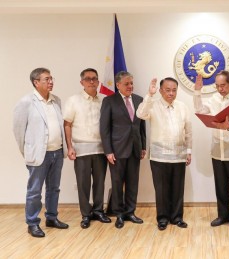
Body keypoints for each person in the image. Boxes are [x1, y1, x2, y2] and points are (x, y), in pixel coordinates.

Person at [13, 67, 69, 238]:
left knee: (54, 189)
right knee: (35, 191)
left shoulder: (56, 101)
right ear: (36, 82)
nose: (51, 81)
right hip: (39, 155)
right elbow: (18, 131)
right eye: (46, 79)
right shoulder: (26, 102)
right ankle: (32, 223)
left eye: (51, 78)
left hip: (57, 152)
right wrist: (29, 152)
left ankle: (51, 218)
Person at [193, 71, 229, 231]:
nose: (220, 89)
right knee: (220, 185)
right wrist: (197, 91)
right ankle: (223, 215)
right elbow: (200, 109)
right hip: (217, 149)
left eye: (223, 85)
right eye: (217, 86)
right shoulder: (214, 98)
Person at [137, 77, 192, 231]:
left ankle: (177, 217)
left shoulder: (182, 107)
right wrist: (149, 94)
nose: (171, 93)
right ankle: (162, 218)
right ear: (160, 90)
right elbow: (140, 114)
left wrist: (189, 151)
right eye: (167, 90)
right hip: (159, 156)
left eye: (174, 90)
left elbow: (188, 131)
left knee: (178, 188)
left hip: (179, 155)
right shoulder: (152, 105)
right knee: (161, 189)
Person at [63, 68, 111, 229]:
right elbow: (67, 124)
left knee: (99, 183)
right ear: (81, 82)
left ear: (98, 82)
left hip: (100, 149)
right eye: (88, 79)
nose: (92, 81)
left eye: (94, 79)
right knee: (83, 184)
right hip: (81, 150)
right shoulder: (73, 100)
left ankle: (98, 210)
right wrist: (69, 147)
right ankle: (86, 214)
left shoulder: (104, 101)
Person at [100, 71, 146, 229]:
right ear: (118, 85)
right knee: (117, 183)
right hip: (117, 150)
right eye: (127, 84)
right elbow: (104, 128)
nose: (130, 86)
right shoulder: (109, 101)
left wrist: (143, 146)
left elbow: (141, 126)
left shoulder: (139, 100)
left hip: (135, 148)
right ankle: (119, 213)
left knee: (133, 183)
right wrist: (108, 151)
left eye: (131, 83)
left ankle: (130, 212)